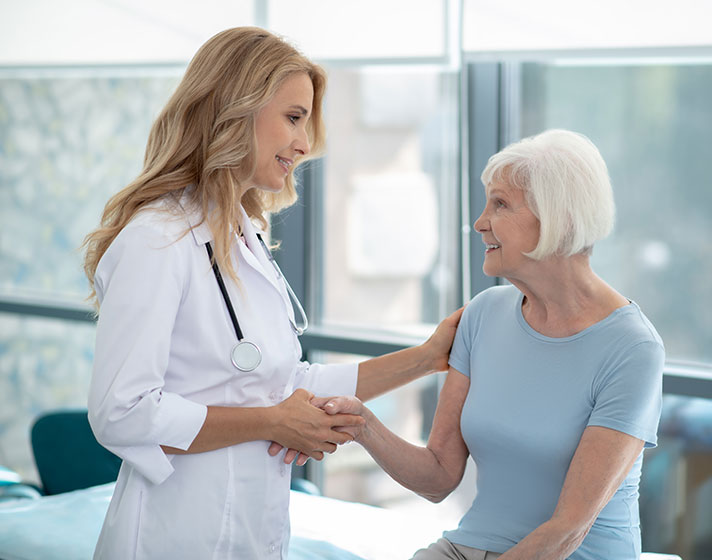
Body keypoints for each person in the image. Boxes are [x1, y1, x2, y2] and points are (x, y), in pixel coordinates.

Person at [82, 26, 461, 560]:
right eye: (293, 117)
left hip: (254, 530)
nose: (305, 145)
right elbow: (120, 412)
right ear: (235, 108)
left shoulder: (243, 235)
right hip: (174, 533)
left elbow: (282, 381)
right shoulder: (157, 238)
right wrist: (272, 421)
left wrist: (426, 359)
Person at [312, 129, 665, 559]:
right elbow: (438, 477)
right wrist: (363, 425)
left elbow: (566, 530)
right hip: (468, 547)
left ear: (558, 216)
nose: (480, 222)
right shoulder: (484, 314)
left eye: (500, 204)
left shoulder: (631, 348)